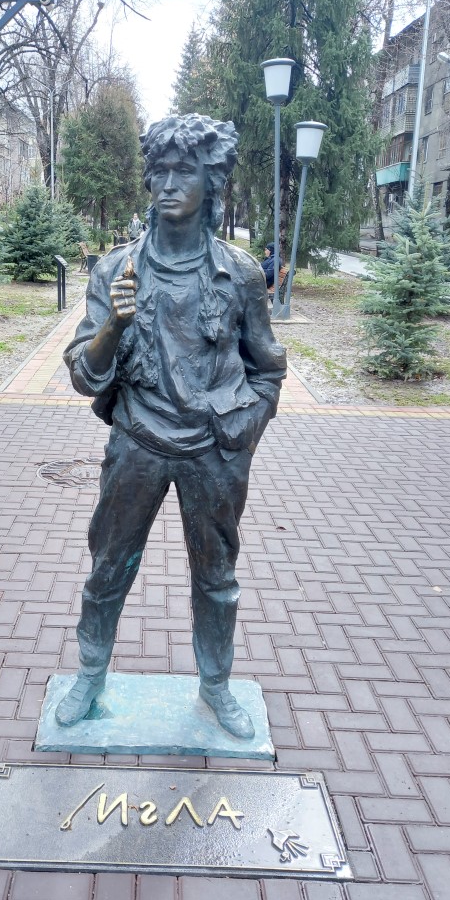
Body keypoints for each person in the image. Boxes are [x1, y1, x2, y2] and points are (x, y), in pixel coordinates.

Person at [59, 114, 287, 739]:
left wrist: (243, 434)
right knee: (108, 567)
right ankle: (91, 674)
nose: (167, 183)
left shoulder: (241, 274)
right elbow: (85, 376)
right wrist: (114, 327)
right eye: (158, 170)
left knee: (217, 579)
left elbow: (268, 367)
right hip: (137, 441)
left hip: (214, 450)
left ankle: (215, 686)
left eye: (184, 170)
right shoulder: (116, 271)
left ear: (210, 181)